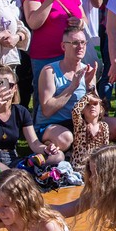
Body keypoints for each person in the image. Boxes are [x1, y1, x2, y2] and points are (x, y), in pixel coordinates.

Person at [23, 0, 86, 96]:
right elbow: (33, 23)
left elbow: (84, 18)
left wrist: (80, 23)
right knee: (46, 99)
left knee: (73, 96)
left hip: (71, 54)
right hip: (46, 56)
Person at [35, 27, 102, 165]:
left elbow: (98, 111)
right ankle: (49, 146)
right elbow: (47, 110)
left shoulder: (88, 70)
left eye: (83, 42)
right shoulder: (50, 71)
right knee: (66, 138)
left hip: (79, 122)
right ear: (63, 46)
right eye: (75, 43)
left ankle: (72, 152)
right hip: (52, 124)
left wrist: (89, 86)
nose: (80, 47)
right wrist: (72, 87)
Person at [0, 65, 42, 170]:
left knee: (57, 157)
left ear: (15, 88)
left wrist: (47, 149)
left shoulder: (21, 111)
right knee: (9, 172)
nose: (2, 89)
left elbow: (34, 143)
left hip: (12, 158)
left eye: (9, 85)